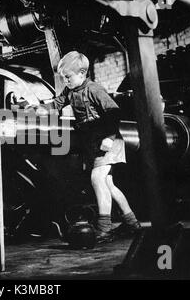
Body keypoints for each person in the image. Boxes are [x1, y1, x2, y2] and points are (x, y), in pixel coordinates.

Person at [28, 51, 141, 242]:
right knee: (109, 185)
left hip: (109, 142)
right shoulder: (70, 91)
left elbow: (114, 113)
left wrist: (110, 138)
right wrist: (39, 109)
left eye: (68, 77)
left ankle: (104, 227)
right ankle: (132, 223)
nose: (66, 81)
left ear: (82, 73)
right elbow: (57, 104)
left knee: (97, 179)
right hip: (94, 144)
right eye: (63, 78)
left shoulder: (95, 89)